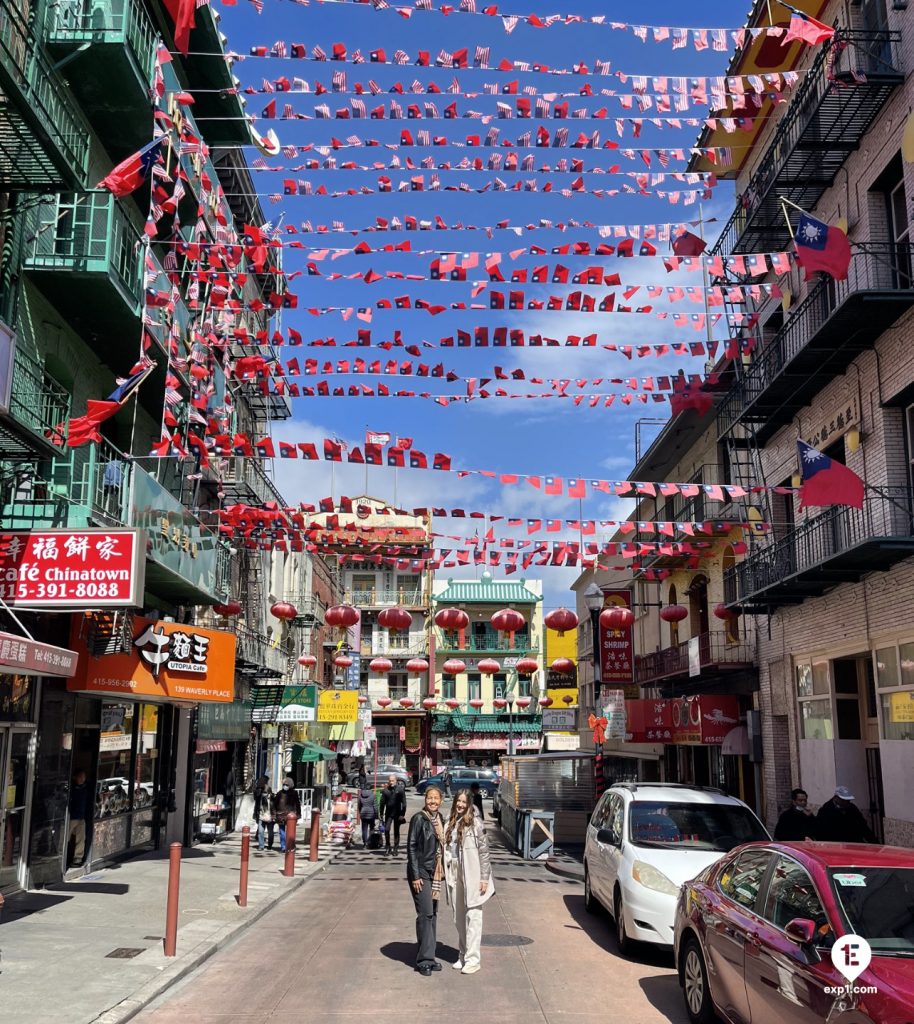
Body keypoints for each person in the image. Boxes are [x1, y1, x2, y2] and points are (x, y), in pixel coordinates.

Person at [444, 790, 494, 975]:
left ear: (469, 803)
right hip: (455, 871)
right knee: (458, 917)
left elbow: (484, 852)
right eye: (459, 801)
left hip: (472, 874)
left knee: (473, 916)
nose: (461, 805)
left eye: (464, 802)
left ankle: (473, 959)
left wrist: (484, 877)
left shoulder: (476, 823)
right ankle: (463, 954)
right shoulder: (450, 821)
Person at [407, 786, 445, 976]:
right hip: (421, 871)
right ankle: (424, 960)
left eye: (436, 798)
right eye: (429, 798)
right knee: (426, 913)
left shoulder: (440, 819)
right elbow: (412, 848)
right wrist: (415, 875)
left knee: (433, 914)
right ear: (425, 800)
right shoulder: (419, 819)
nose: (432, 801)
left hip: (435, 873)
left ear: (441, 801)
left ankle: (429, 955)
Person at [379, 773, 407, 856]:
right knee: (387, 830)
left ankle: (396, 848)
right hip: (389, 814)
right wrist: (381, 814)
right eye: (390, 780)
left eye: (393, 780)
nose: (391, 782)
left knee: (396, 831)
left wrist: (403, 814)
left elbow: (404, 803)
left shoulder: (400, 789)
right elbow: (382, 803)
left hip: (398, 813)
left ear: (396, 780)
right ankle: (388, 847)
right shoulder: (385, 790)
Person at [272, 777, 302, 853]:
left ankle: (290, 845)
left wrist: (298, 814)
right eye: (284, 784)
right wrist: (274, 815)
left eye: (287, 785)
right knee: (282, 832)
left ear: (290, 785)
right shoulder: (279, 793)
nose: (285, 786)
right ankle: (283, 847)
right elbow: (274, 805)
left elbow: (297, 804)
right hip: (280, 816)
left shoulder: (294, 793)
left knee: (291, 832)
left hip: (290, 816)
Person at [68, 770, 90, 867]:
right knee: (66, 838)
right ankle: (63, 857)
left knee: (81, 839)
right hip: (71, 817)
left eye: (84, 777)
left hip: (81, 817)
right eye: (80, 776)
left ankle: (78, 859)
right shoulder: (71, 788)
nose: (82, 779)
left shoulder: (86, 788)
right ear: (75, 777)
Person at [253, 775, 275, 851]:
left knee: (270, 833)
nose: (264, 794)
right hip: (261, 815)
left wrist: (274, 816)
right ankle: (261, 845)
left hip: (270, 816)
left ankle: (270, 845)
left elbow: (274, 807)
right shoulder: (259, 795)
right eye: (264, 793)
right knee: (260, 831)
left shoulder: (272, 798)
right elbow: (256, 796)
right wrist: (259, 788)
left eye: (266, 792)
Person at [357, 784, 378, 848]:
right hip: (371, 814)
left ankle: (365, 843)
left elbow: (359, 805)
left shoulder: (361, 795)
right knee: (371, 829)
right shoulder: (373, 795)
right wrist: (377, 815)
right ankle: (371, 842)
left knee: (364, 829)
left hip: (363, 814)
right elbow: (375, 806)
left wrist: (361, 812)